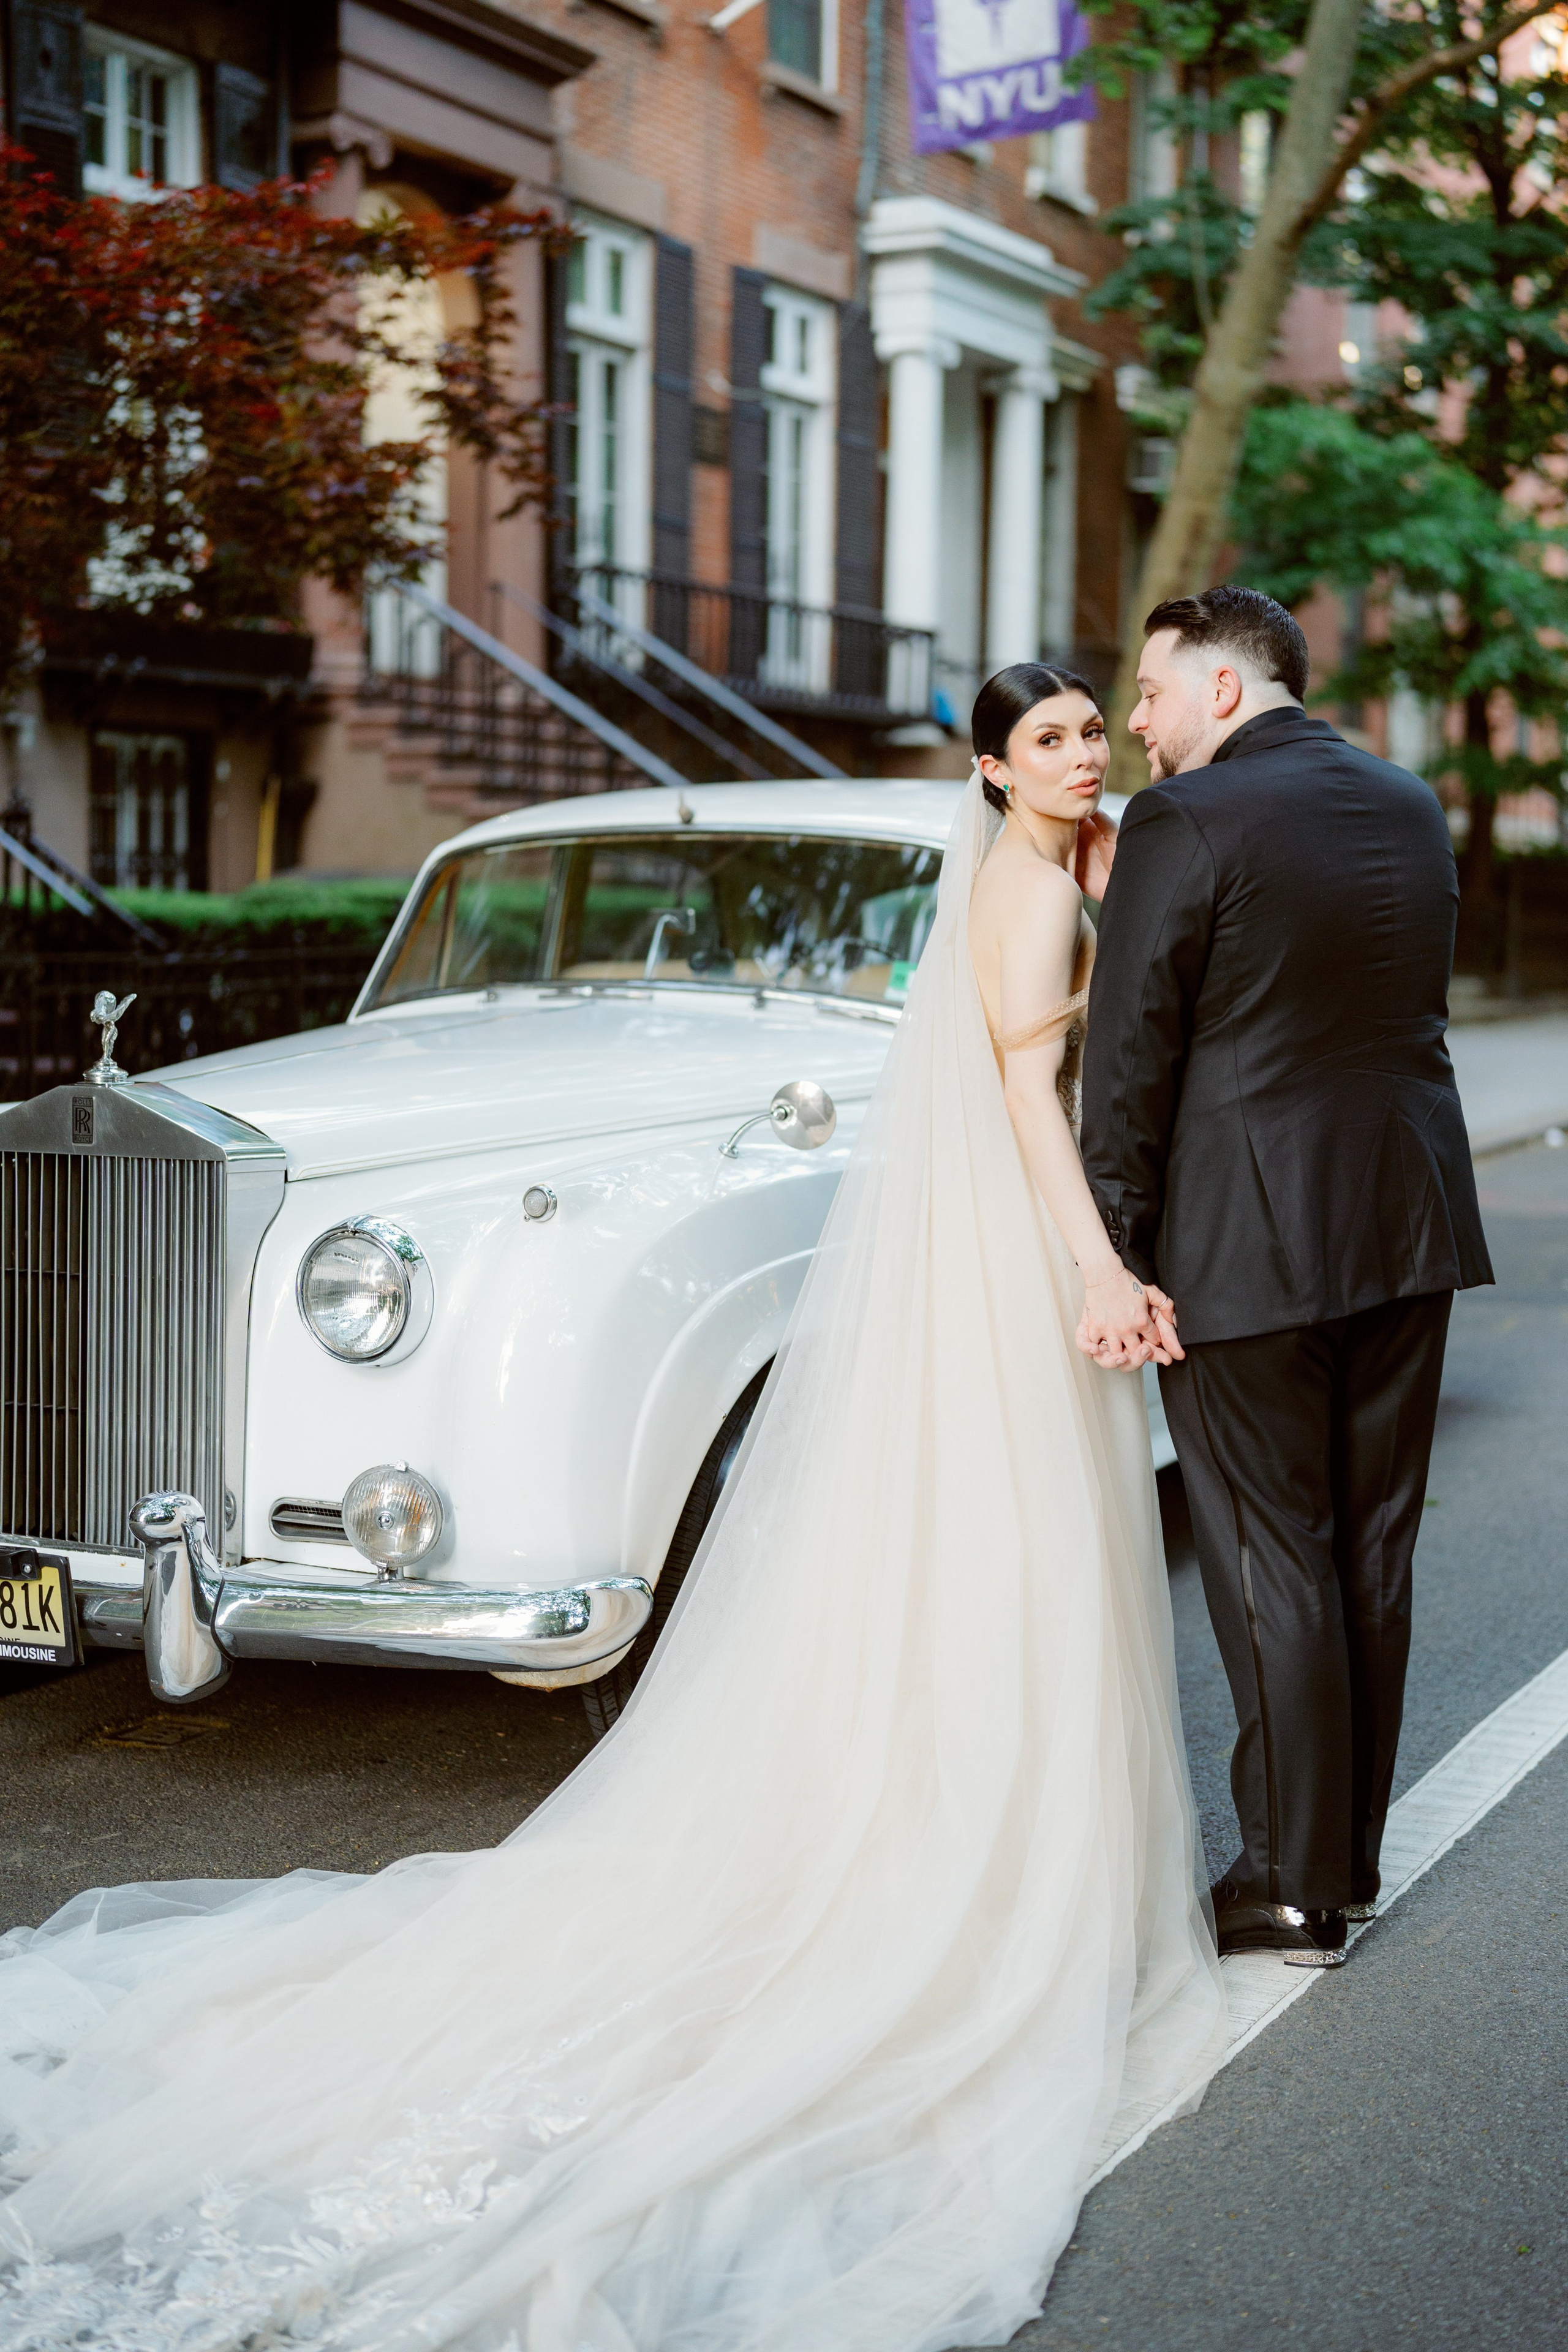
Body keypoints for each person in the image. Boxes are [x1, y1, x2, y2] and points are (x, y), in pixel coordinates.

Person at [0, 669, 1226, 2352]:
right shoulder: (1026, 884)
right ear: (991, 770)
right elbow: (1027, 1090)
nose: (1090, 758)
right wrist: (1098, 1256)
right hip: (1033, 1227)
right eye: (1058, 741)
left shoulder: (1036, 871)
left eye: (1099, 734)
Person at [1079, 585, 1493, 1970]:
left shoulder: (1182, 819)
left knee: (1269, 1561)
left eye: (1147, 693)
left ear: (1221, 690)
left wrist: (1110, 1254)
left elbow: (1131, 1056)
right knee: (1367, 1548)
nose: (1133, 722)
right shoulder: (1404, 801)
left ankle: (1284, 1884)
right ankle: (1346, 1863)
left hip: (1243, 1248)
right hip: (1406, 1223)